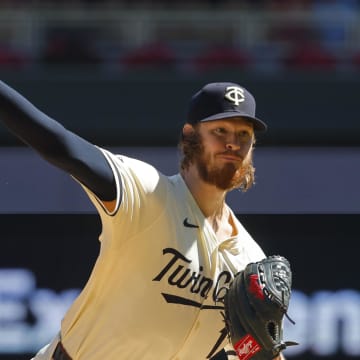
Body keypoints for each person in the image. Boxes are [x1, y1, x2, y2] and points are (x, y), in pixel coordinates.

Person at [0, 80, 285, 360]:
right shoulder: (149, 194)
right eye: (220, 130)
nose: (233, 143)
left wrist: (267, 350)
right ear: (189, 135)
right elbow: (61, 145)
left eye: (244, 134)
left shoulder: (248, 260)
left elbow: (259, 353)